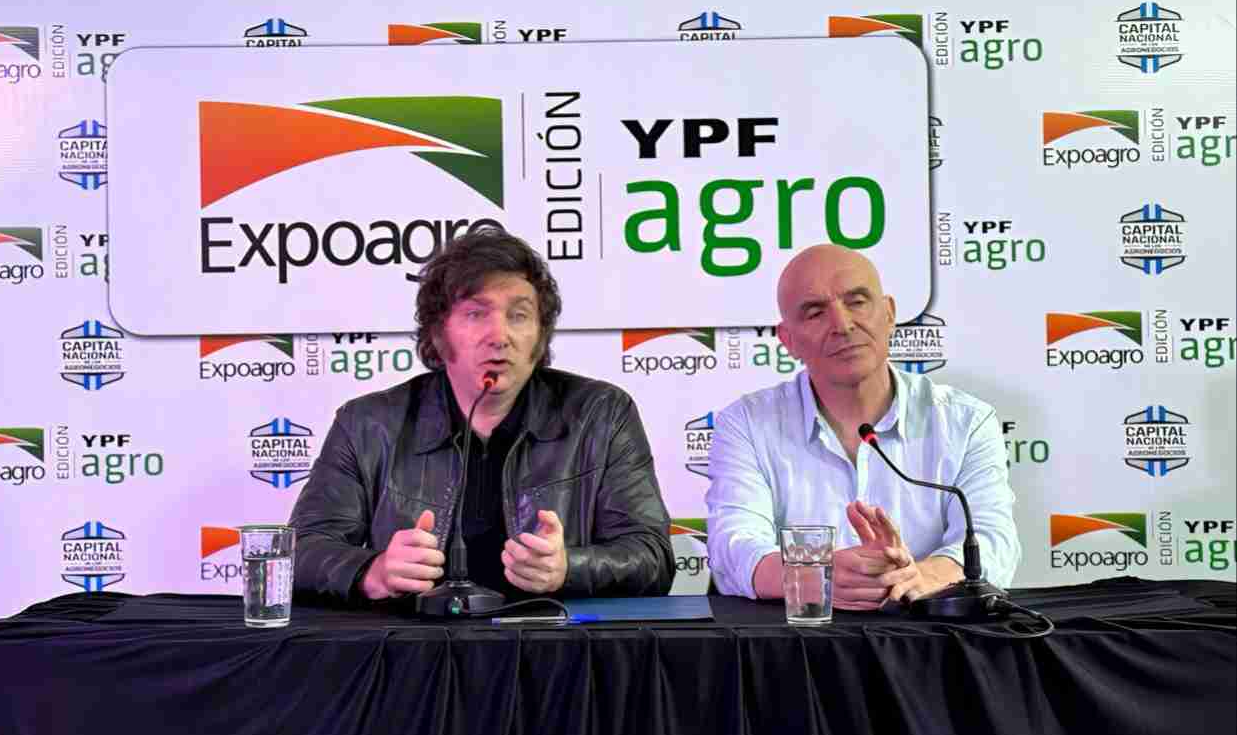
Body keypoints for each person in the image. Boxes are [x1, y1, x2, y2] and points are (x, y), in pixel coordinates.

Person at [290, 227, 674, 604]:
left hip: (549, 638)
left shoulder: (601, 415)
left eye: (519, 315)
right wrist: (371, 572)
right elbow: (300, 551)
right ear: (439, 333)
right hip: (414, 639)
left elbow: (652, 556)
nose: (499, 336)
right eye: (476, 314)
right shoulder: (368, 425)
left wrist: (568, 568)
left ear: (540, 336)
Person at [705, 244, 1020, 608]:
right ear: (788, 340)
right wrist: (813, 575)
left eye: (856, 302)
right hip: (799, 637)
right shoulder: (746, 424)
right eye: (815, 313)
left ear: (889, 314)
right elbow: (734, 547)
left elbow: (993, 540)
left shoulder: (965, 421)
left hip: (930, 634)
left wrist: (920, 576)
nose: (842, 325)